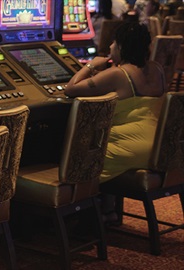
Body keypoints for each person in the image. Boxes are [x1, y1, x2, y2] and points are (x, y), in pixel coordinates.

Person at [65, 22, 166, 184]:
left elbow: (71, 88)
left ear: (121, 47)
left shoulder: (118, 74)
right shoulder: (157, 69)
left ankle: (93, 206)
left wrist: (91, 65)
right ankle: (109, 209)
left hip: (128, 148)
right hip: (157, 147)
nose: (111, 46)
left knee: (79, 155)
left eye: (114, 42)